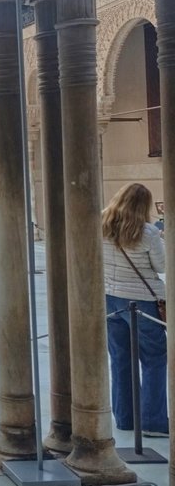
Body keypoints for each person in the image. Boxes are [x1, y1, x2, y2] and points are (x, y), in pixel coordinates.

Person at [102, 182, 168, 437]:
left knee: (120, 358)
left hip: (111, 298)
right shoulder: (148, 233)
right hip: (142, 302)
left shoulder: (102, 223)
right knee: (153, 358)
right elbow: (161, 267)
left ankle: (125, 418)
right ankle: (153, 421)